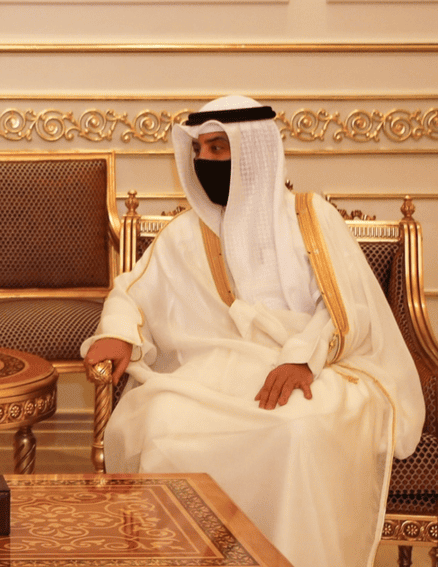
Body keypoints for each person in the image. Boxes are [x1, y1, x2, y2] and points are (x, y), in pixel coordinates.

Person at [82, 95, 424, 567]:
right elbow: (133, 291)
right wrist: (119, 331)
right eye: (199, 150)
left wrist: (304, 358)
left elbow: (347, 307)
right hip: (211, 374)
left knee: (297, 430)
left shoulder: (310, 217)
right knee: (164, 425)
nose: (205, 161)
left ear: (253, 150)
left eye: (218, 148)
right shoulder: (186, 232)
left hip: (312, 368)